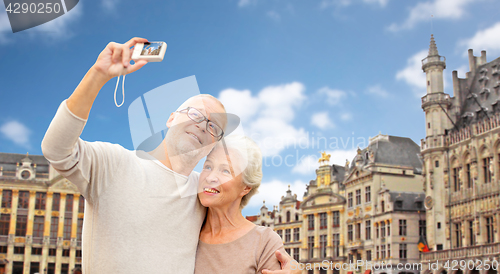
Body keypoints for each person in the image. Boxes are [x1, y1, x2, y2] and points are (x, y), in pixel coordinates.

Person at [41, 38, 298, 274]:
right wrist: (97, 76)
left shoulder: (203, 192)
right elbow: (56, 149)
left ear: (213, 145)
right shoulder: (114, 163)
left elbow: (239, 232)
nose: (201, 125)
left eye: (213, 127)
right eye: (196, 114)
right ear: (171, 117)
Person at [195, 135, 284, 273]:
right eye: (208, 166)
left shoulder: (264, 242)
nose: (210, 177)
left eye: (225, 170)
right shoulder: (187, 228)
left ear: (246, 187)